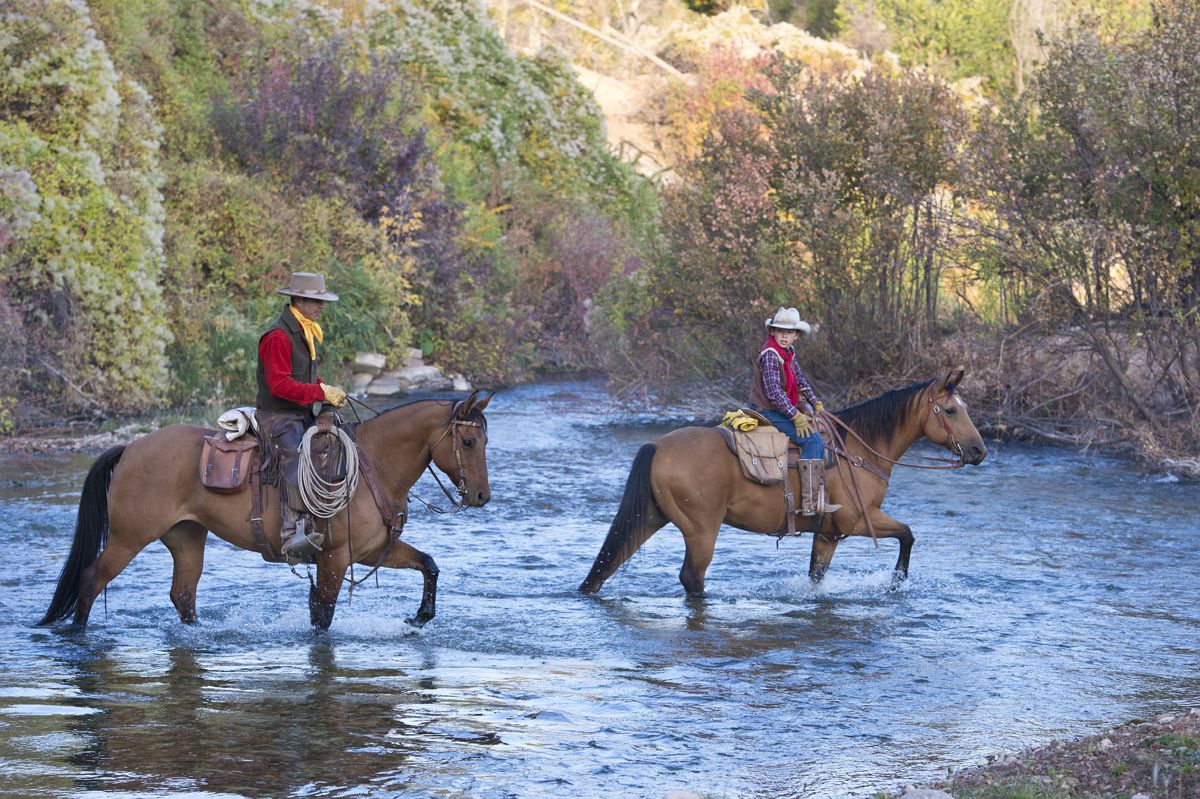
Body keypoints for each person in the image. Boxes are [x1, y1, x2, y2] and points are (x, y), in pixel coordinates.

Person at [256, 271, 348, 562]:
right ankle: (291, 535)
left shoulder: (304, 330)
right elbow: (279, 385)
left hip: (297, 413)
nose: (320, 307)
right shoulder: (278, 337)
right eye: (314, 301)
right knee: (298, 459)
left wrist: (326, 388)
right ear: (298, 300)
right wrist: (321, 393)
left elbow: (303, 375)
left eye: (320, 301)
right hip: (277, 416)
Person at [748, 307, 840, 515]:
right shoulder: (771, 355)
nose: (784, 336)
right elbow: (773, 393)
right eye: (780, 331)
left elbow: (800, 381)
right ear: (772, 332)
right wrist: (795, 415)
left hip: (778, 408)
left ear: (796, 336)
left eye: (789, 332)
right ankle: (810, 503)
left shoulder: (788, 353)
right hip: (767, 410)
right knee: (813, 440)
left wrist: (816, 403)